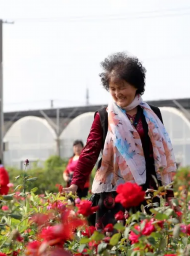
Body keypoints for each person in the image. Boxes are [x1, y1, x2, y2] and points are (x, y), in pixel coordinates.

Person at [64, 52, 178, 230]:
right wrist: (75, 183)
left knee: (147, 241)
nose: (117, 93)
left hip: (147, 190)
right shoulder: (103, 116)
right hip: (113, 193)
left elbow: (160, 153)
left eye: (122, 87)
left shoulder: (152, 114)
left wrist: (166, 189)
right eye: (113, 88)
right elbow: (90, 152)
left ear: (136, 86)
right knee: (113, 242)